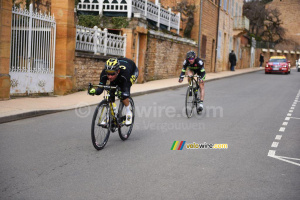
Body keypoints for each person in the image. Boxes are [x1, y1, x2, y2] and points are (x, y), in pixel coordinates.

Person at [88, 57, 139, 125]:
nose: (109, 76)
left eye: (112, 74)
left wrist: (122, 93)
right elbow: (100, 89)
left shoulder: (125, 74)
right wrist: (94, 91)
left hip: (132, 71)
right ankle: (110, 114)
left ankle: (128, 112)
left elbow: (126, 92)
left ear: (118, 71)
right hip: (119, 71)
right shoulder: (104, 73)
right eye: (108, 73)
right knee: (111, 91)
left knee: (123, 94)